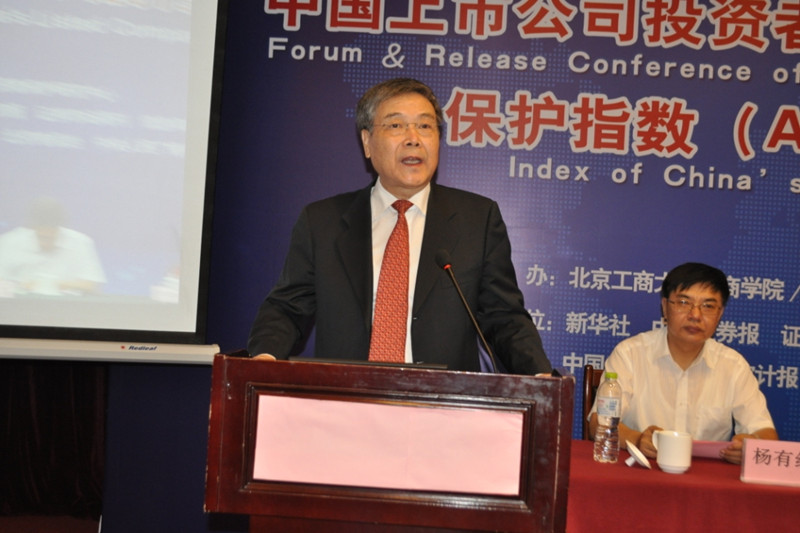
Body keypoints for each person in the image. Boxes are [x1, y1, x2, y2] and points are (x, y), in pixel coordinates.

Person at [247, 78, 552, 375]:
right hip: (347, 399)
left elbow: (504, 317)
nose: (413, 138)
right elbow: (287, 309)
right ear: (367, 142)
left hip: (441, 401)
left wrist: (539, 374)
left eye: (425, 126)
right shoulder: (322, 222)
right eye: (396, 125)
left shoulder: (477, 220)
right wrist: (263, 357)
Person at [589, 262, 777, 464]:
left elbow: (765, 432)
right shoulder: (630, 354)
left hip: (705, 476)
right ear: (665, 307)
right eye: (684, 303)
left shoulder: (734, 366)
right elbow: (599, 423)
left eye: (708, 306)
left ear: (720, 314)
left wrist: (751, 446)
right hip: (642, 470)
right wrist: (637, 439)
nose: (695, 315)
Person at [0, 197, 106, 296]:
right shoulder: (9, 242)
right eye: (41, 237)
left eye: (51, 238)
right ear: (32, 228)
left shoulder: (80, 243)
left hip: (68, 306)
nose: (45, 244)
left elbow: (91, 285)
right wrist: (21, 287)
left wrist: (55, 285)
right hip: (19, 305)